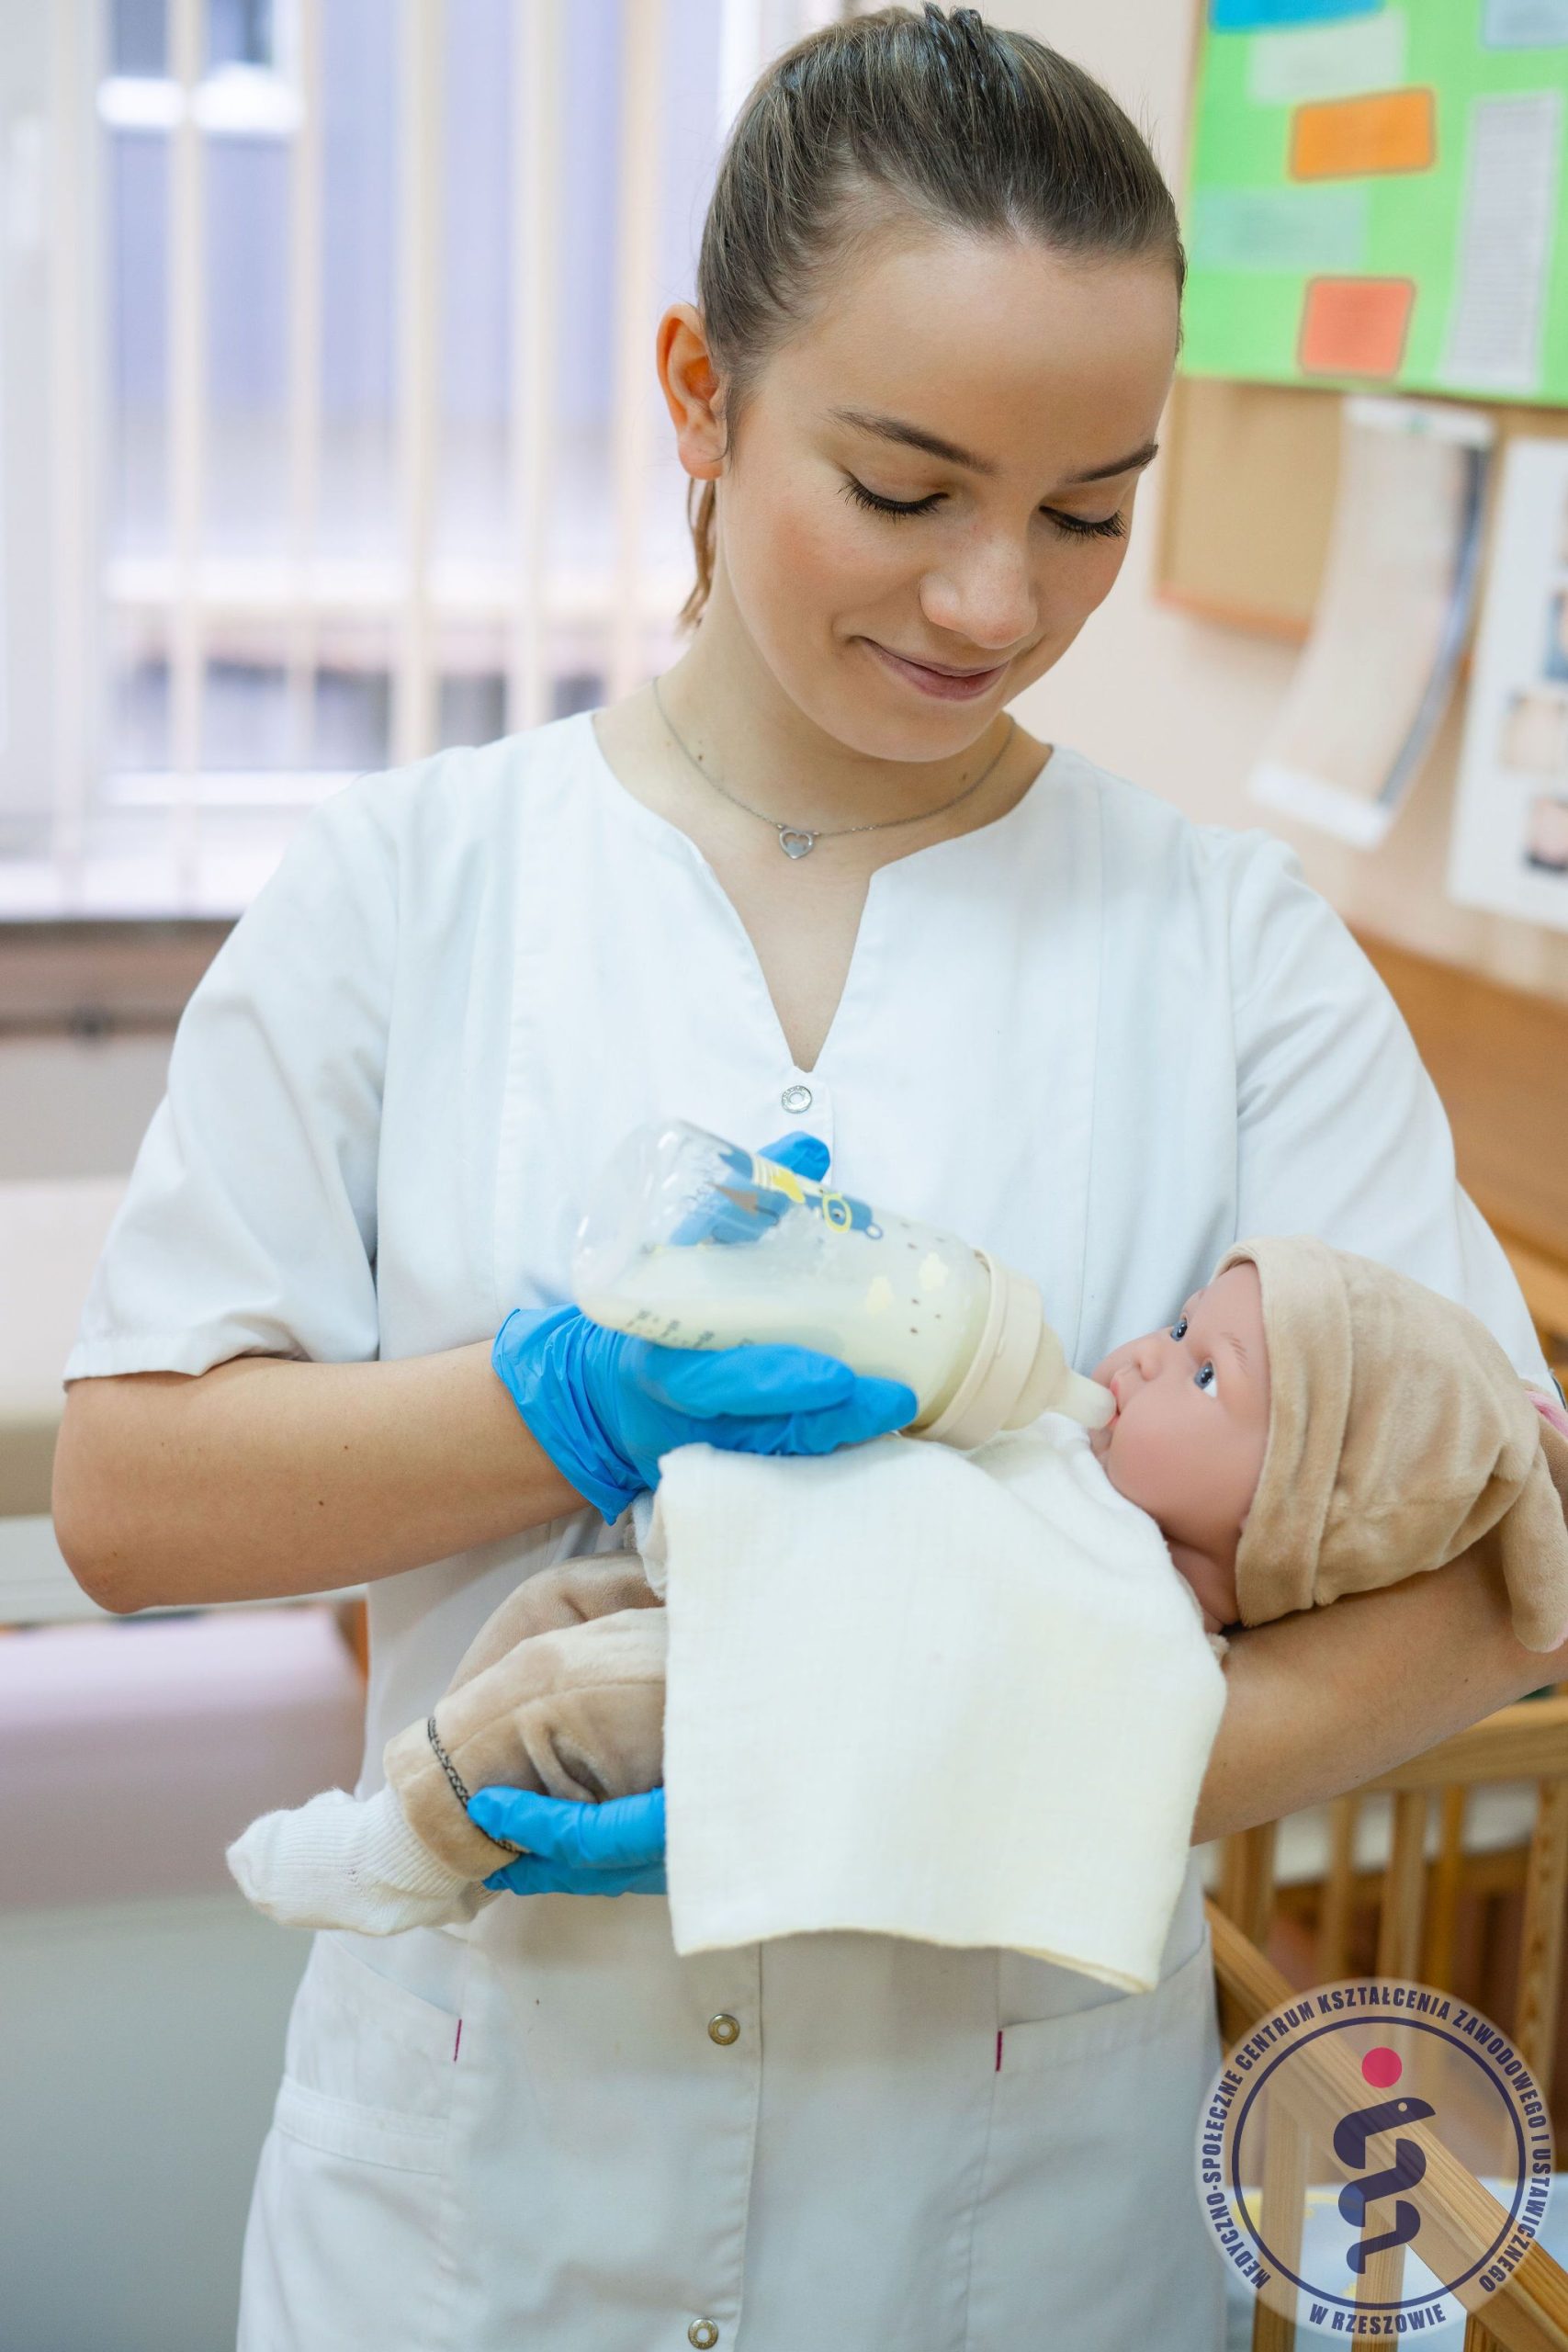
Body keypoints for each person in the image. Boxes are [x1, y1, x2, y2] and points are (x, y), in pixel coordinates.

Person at [49, 10, 1567, 2348]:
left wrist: (923, 1768)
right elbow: (138, 1499)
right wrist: (572, 1400)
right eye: (903, 485)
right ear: (697, 391)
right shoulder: (409, 885)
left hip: (1012, 2225)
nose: (992, 598)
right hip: (480, 2210)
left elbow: (1496, 1580)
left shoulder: (1225, 947)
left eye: (1087, 511)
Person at [219, 1238, 1568, 1940]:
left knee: (573, 1695)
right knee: (548, 1620)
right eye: (1172, 1328)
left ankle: (400, 1851)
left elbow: (1031, 1712)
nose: (1150, 1360)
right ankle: (433, 1812)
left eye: (1208, 1375)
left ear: (1292, 1523)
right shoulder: (1074, 1461)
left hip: (772, 1691)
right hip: (723, 1600)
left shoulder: (1148, 1625)